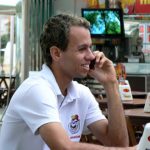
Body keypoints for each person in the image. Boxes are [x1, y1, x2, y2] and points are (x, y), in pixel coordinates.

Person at [0, 13, 137, 150]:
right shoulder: (36, 89)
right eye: (82, 49)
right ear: (56, 53)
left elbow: (118, 144)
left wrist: (111, 83)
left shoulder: (81, 93)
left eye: (91, 48)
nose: (91, 56)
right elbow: (64, 147)